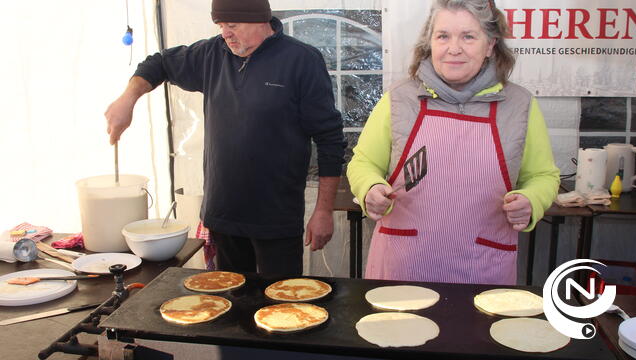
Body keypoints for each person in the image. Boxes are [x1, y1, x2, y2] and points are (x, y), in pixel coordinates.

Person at [105, 0, 345, 276]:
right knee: (231, 306)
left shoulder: (301, 60)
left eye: (232, 25)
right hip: (223, 216)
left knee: (282, 306)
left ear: (260, 20)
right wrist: (128, 99)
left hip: (276, 219)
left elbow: (330, 139)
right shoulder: (212, 54)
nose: (225, 34)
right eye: (220, 26)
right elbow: (157, 64)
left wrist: (324, 211)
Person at [347, 0, 559, 285]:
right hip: (404, 265)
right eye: (443, 36)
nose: (453, 48)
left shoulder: (519, 105)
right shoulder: (399, 98)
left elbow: (542, 176)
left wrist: (532, 200)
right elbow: (364, 163)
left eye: (468, 36)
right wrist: (369, 187)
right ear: (429, 42)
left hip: (483, 268)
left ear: (490, 44)